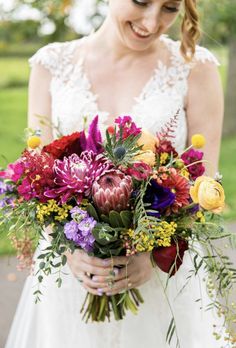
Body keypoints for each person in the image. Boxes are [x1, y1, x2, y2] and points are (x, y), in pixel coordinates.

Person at [5, 0, 229, 347]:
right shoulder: (51, 64)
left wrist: (153, 258)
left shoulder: (195, 67)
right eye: (141, 1)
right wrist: (69, 251)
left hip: (160, 273)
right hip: (72, 276)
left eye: (169, 8)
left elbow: (203, 184)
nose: (152, 21)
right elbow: (38, 175)